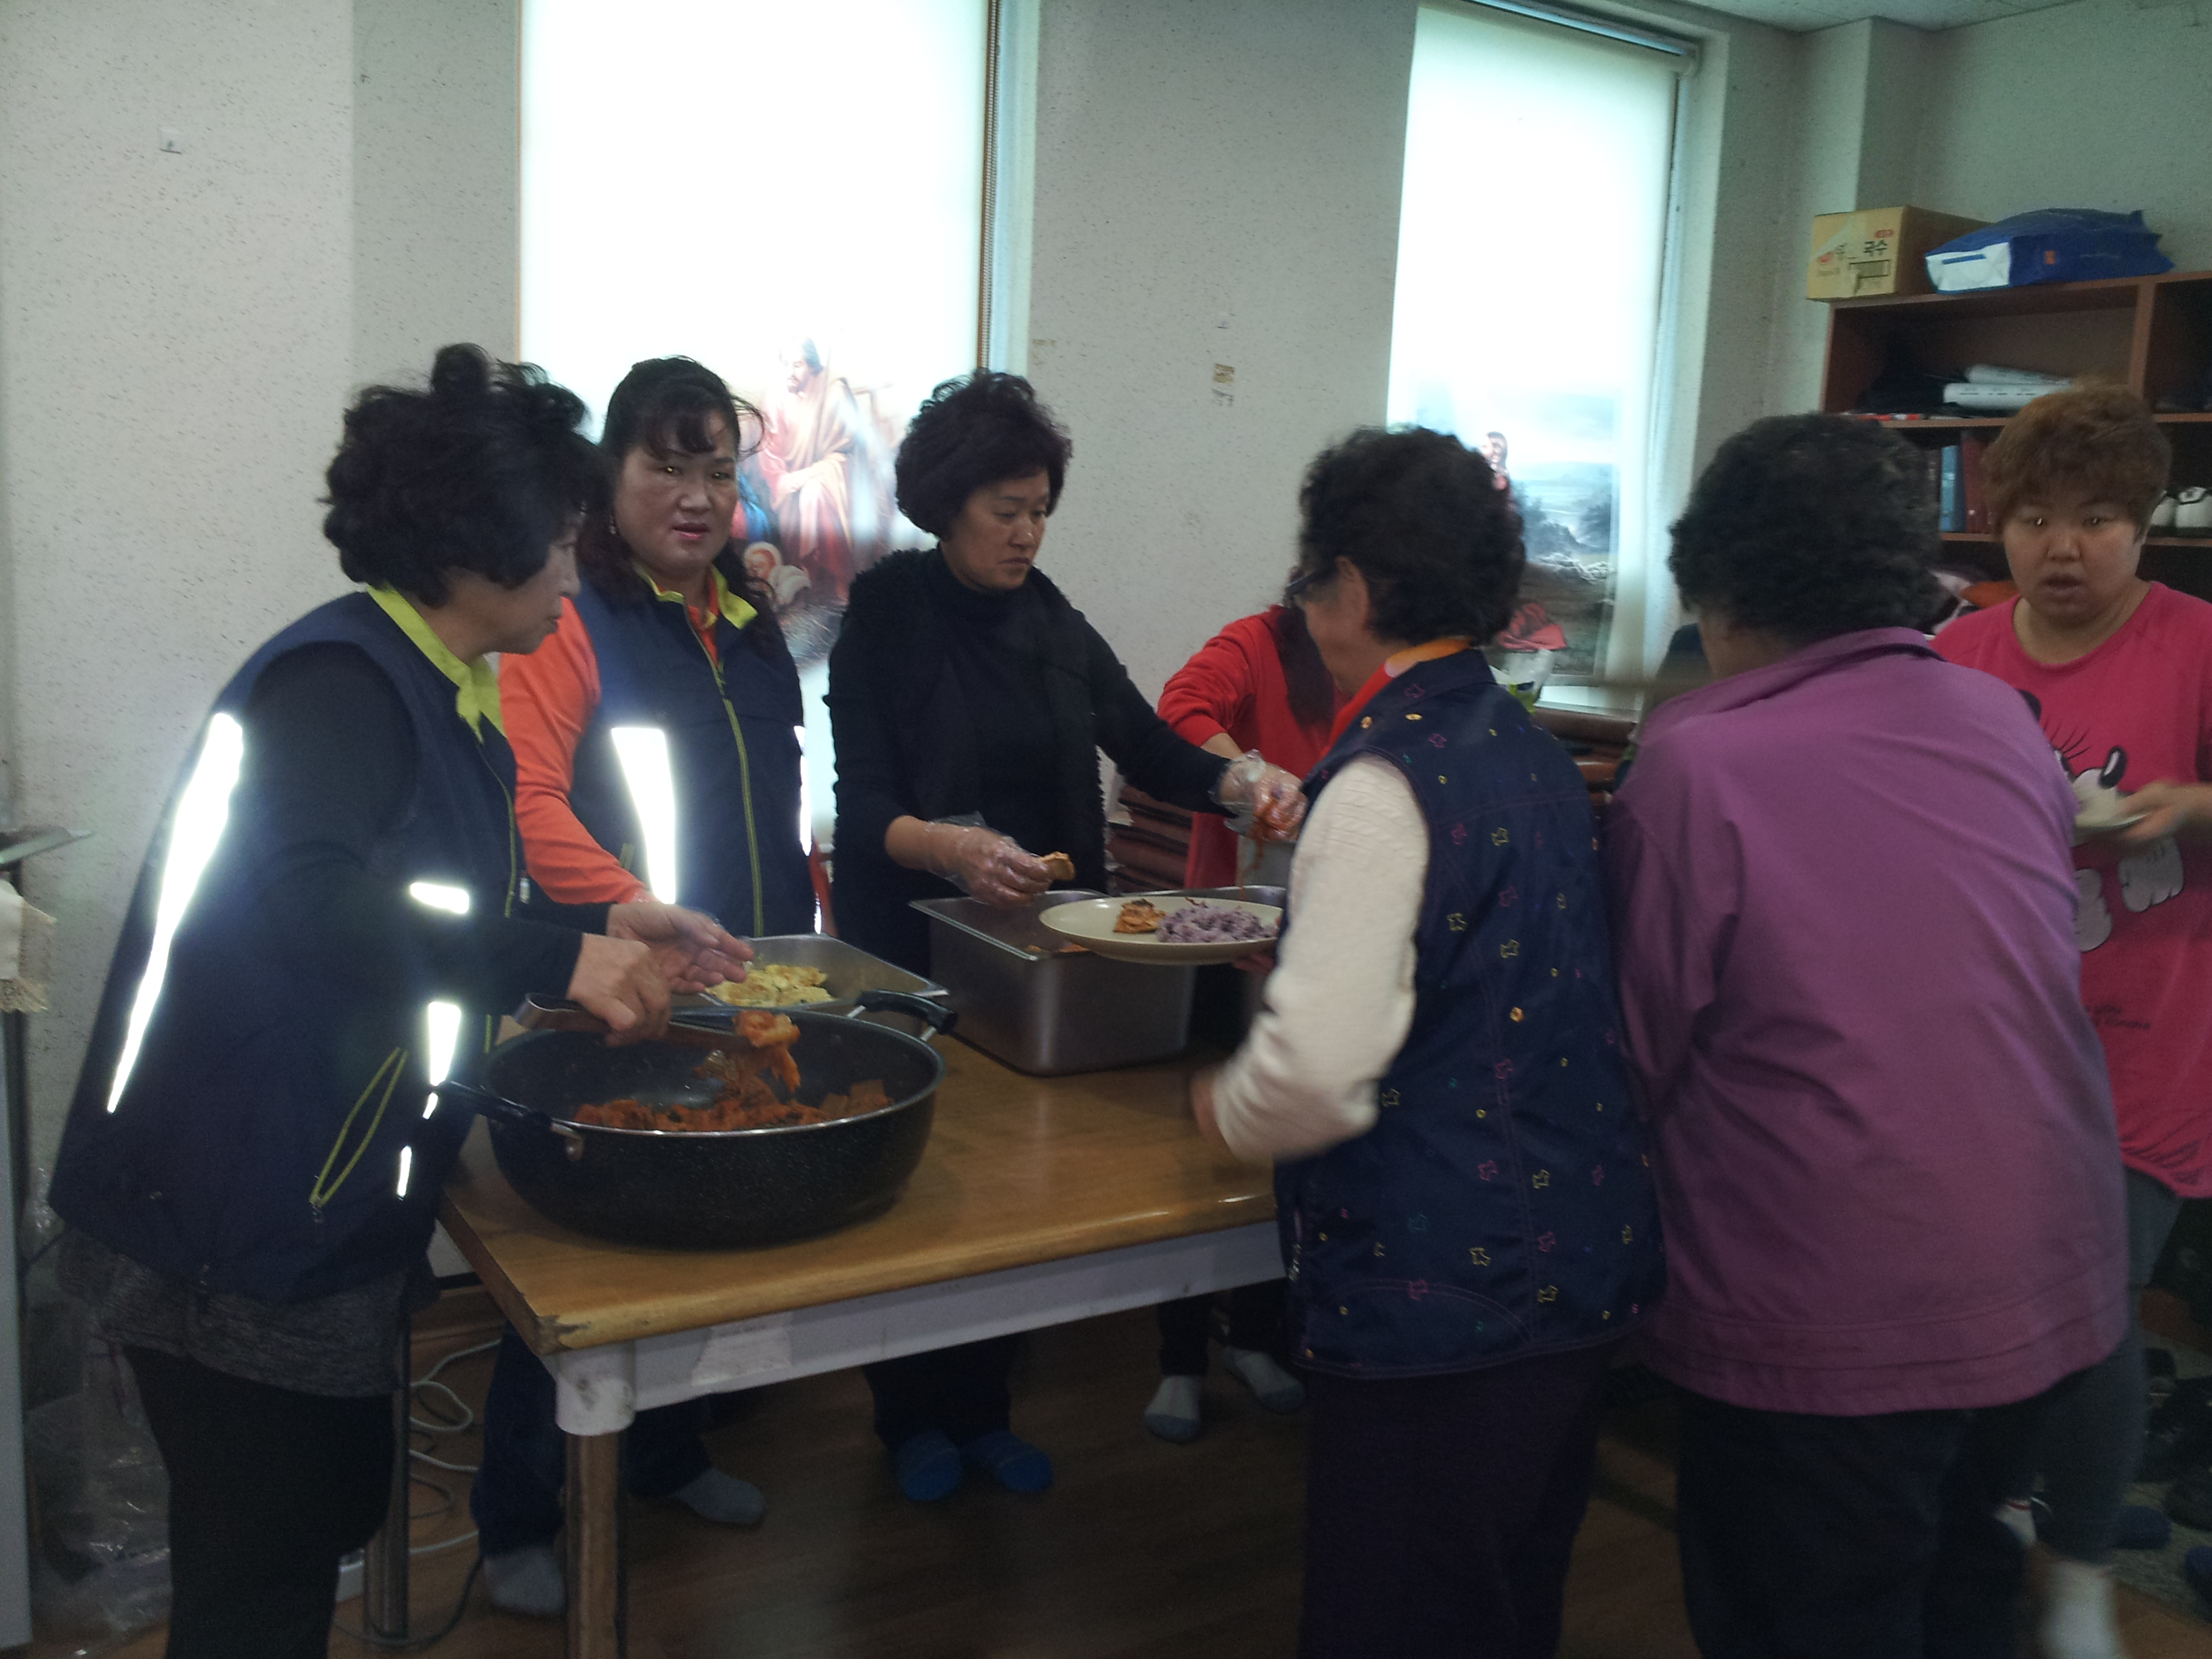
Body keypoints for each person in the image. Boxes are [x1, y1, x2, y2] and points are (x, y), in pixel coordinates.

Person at [46, 346, 745, 1658]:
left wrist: (597, 925)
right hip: (229, 1211)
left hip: (319, 1191)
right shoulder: (339, 686)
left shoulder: (442, 684)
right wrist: (553, 964)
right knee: (258, 1584)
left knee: (315, 1518)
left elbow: (418, 904)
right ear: (476, 549)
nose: (574, 565)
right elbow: (307, 906)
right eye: (561, 536)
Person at [1604, 413, 2130, 1659]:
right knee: (1960, 1589)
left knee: (1811, 1615)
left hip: (1834, 1303)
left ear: (1721, 593)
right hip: (2042, 1263)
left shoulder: (1697, 760)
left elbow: (1631, 1051)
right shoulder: (2000, 718)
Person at [1190, 426, 1665, 1659]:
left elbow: (1313, 1073)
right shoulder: (1533, 754)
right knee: (1501, 1605)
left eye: (1308, 580)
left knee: (1396, 1616)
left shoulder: (1376, 785)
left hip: (1438, 1298)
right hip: (1580, 1270)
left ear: (1350, 588)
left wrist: (1224, 1106)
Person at [827, 369, 1304, 1502]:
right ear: (946, 504)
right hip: (915, 943)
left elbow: (1145, 742)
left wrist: (1239, 781)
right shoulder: (886, 615)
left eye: (1041, 509)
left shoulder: (1047, 618)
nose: (1027, 532)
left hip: (1036, 953)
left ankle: (986, 1410)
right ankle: (909, 1419)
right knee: (924, 1185)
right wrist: (952, 848)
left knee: (1009, 1188)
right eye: (1007, 510)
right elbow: (864, 808)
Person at [483, 356, 813, 1616]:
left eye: (717, 471)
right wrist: (630, 915)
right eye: (666, 466)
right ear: (608, 477)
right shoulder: (568, 615)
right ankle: (517, 1516)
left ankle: (669, 1452)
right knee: (584, 1258)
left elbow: (775, 805)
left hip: (743, 983)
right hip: (608, 984)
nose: (695, 495)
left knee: (702, 1234)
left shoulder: (745, 620)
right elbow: (526, 803)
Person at [1931, 384, 2212, 1659]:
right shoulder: (1953, 657)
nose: (2062, 546)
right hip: (1983, 1039)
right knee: (1977, 1290)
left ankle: (2083, 1566)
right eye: (2034, 517)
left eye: (2096, 518)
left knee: (2095, 1311)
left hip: (2146, 1040)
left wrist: (2189, 808)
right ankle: (1993, 1507)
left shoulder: (2195, 644)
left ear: (2142, 525)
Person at [1141, 605, 1338, 1441]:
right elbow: (1180, 708)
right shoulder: (1257, 642)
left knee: (1284, 1156)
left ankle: (1255, 1338)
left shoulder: (1376, 666)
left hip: (1319, 949)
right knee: (1198, 1160)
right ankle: (1180, 1360)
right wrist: (1251, 775)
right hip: (1224, 945)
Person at [756, 337, 864, 600]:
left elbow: (844, 449)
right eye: (786, 364)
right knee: (799, 497)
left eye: (798, 365)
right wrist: (784, 479)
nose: (790, 372)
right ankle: (808, 577)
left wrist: (806, 476)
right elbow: (770, 450)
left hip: (833, 469)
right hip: (789, 478)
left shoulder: (833, 390)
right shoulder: (777, 394)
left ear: (814, 366)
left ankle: (838, 579)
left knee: (814, 495)